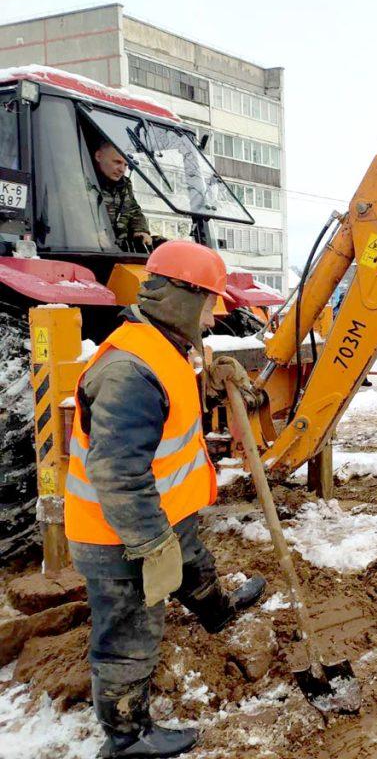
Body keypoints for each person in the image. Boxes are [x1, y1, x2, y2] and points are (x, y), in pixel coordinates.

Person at [65, 241, 266, 758]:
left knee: (194, 565)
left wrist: (218, 384)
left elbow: (170, 419)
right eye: (208, 304)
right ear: (182, 296)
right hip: (119, 535)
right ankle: (127, 736)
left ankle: (218, 611)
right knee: (130, 633)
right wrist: (151, 544)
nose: (213, 316)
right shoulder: (130, 370)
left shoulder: (163, 346)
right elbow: (117, 471)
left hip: (164, 511)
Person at [92, 141, 152, 251]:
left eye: (125, 165)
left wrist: (141, 231)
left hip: (121, 251)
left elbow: (134, 211)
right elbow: (73, 215)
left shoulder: (125, 184)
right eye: (117, 162)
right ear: (99, 156)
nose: (122, 169)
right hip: (89, 250)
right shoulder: (82, 182)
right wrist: (90, 234)